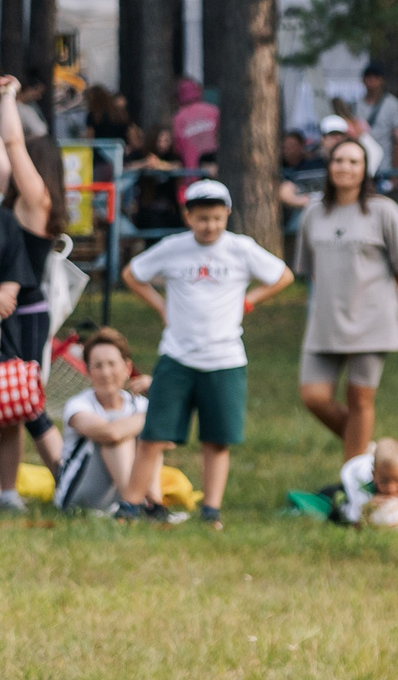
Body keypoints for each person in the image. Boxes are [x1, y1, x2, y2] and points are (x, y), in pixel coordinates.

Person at [120, 180, 294, 528]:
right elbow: (133, 274)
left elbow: (282, 275)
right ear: (188, 216)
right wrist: (160, 306)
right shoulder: (173, 249)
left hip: (225, 359)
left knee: (217, 439)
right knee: (154, 436)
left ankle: (211, 510)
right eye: (202, 218)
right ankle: (130, 506)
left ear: (227, 214)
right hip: (177, 356)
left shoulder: (240, 249)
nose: (210, 225)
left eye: (216, 218)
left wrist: (251, 300)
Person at [296, 137, 398, 459]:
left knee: (360, 399)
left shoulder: (384, 211)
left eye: (353, 162)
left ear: (366, 170)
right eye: (338, 160)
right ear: (328, 166)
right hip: (324, 320)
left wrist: (383, 298)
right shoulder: (313, 213)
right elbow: (310, 268)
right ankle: (367, 453)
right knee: (313, 396)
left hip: (372, 320)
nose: (345, 168)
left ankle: (353, 476)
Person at [0, 78, 63, 509]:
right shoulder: (28, 206)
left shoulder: (34, 200)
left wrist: (8, 98)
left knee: (25, 404)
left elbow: (13, 142)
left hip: (21, 313)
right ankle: (7, 492)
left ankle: (70, 476)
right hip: (21, 311)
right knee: (11, 408)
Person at [56, 328, 149, 512]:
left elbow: (166, 441)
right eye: (98, 366)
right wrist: (151, 417)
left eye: (111, 364)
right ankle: (134, 505)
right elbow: (111, 433)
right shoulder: (77, 405)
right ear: (88, 371)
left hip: (121, 491)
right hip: (80, 495)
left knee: (150, 441)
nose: (106, 373)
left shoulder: (139, 403)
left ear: (127, 368)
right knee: (115, 429)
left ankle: (153, 504)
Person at [359, 66, 398, 172]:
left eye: (375, 77)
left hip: (385, 166)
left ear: (382, 80)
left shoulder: (392, 104)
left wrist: (395, 174)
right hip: (361, 165)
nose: (371, 80)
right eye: (368, 77)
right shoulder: (357, 105)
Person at [171, 77, 219, 168]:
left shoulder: (179, 118)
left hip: (192, 171)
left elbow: (177, 147)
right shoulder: (213, 110)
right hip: (216, 168)